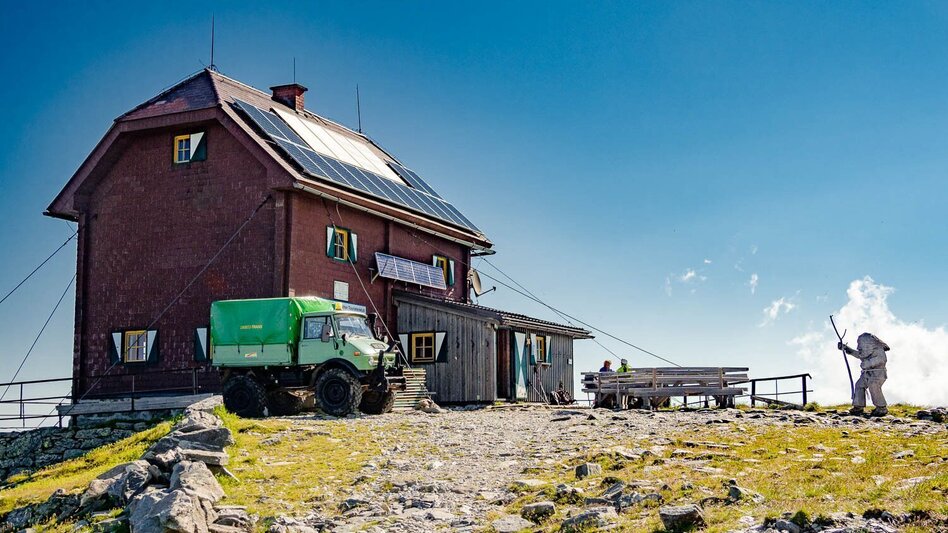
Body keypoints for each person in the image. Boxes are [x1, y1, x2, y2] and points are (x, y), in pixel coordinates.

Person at [838, 332, 890, 417]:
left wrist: (869, 363)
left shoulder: (879, 351)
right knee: (859, 385)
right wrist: (846, 348)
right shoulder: (867, 351)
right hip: (866, 374)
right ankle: (858, 406)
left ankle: (881, 408)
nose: (858, 347)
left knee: (874, 386)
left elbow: (882, 359)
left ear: (868, 344)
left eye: (860, 344)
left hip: (878, 374)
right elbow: (859, 354)